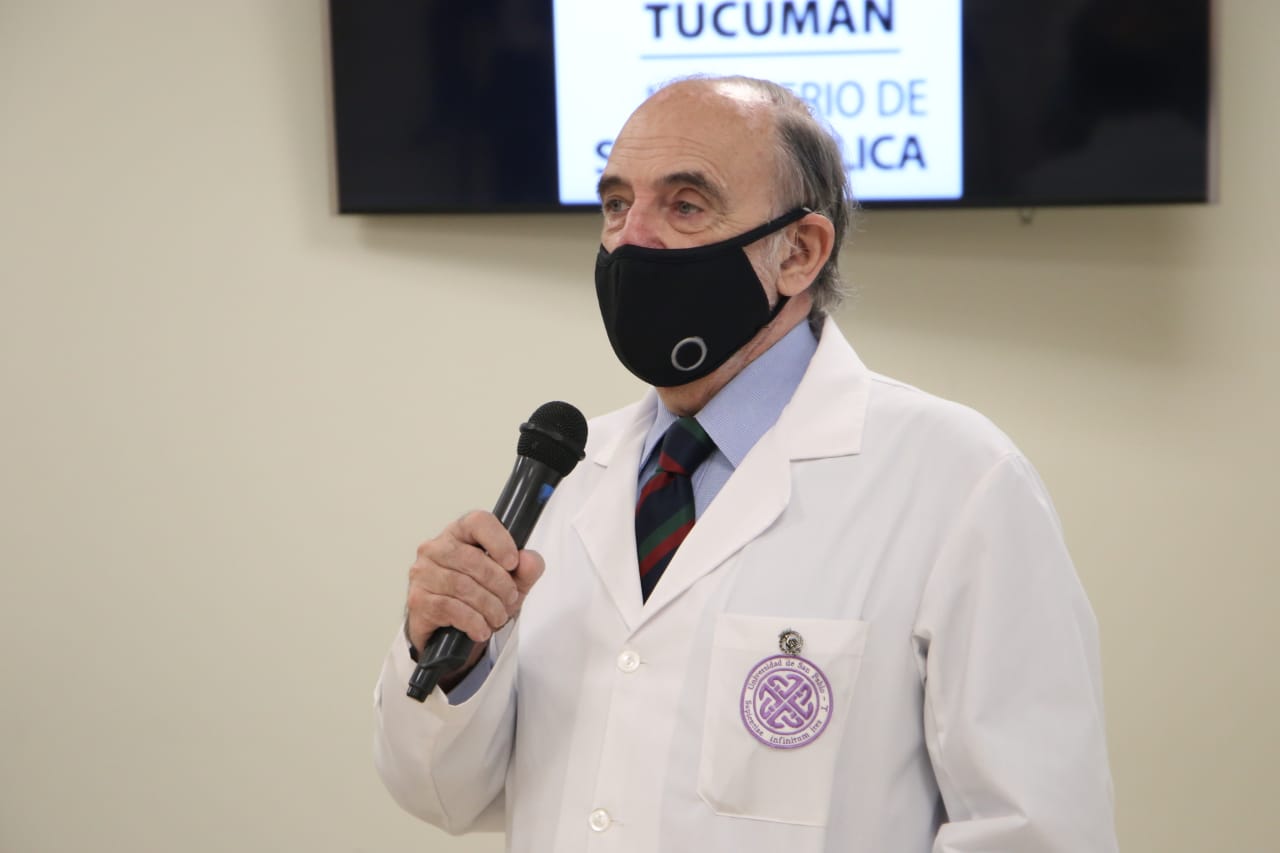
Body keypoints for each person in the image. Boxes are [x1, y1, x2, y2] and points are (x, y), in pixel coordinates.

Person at [373, 75, 1118, 852]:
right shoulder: (572, 472)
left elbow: (1035, 831)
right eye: (617, 204)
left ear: (799, 252)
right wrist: (447, 659)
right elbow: (443, 794)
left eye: (685, 205)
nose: (631, 239)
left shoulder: (958, 480)